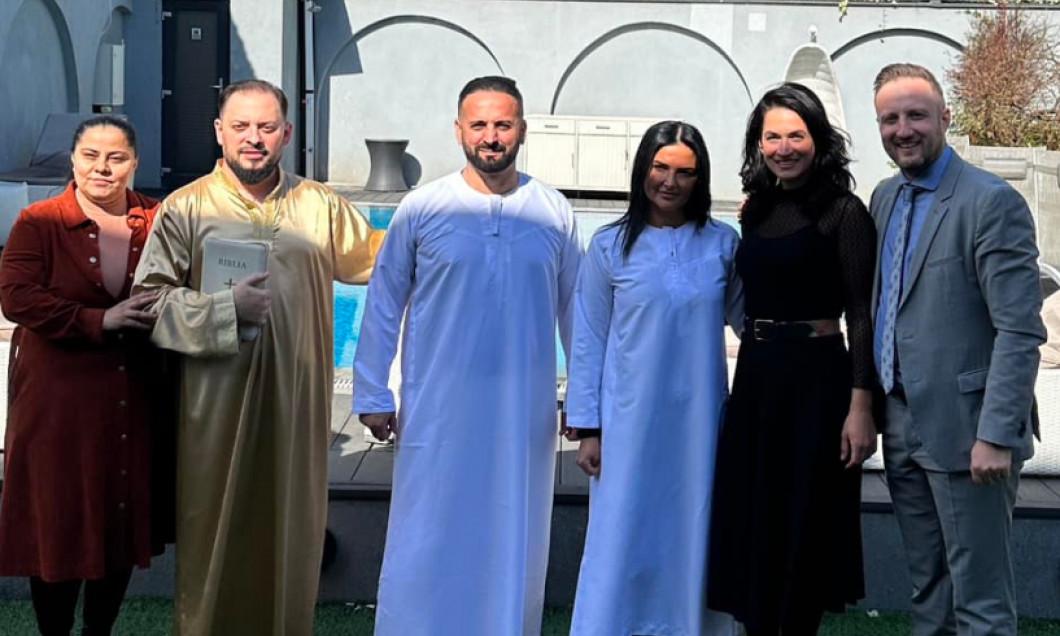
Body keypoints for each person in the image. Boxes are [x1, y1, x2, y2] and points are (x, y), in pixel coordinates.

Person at [132, 79, 380, 635]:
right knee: (212, 533)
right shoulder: (186, 207)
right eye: (241, 126)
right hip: (213, 409)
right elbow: (149, 302)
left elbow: (378, 259)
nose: (254, 138)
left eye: (266, 127)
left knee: (292, 534)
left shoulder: (319, 206)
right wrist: (225, 310)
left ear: (287, 133)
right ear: (219, 132)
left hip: (297, 403)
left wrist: (443, 224)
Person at [353, 75, 582, 635]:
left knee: (514, 533)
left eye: (503, 124)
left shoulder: (552, 211)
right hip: (438, 408)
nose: (491, 136)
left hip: (522, 414)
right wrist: (373, 391)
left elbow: (577, 312)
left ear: (522, 129)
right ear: (458, 130)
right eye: (478, 124)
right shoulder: (423, 208)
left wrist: (585, 399)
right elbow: (383, 302)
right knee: (428, 531)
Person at [869, 63, 1044, 636]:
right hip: (901, 426)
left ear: (945, 117)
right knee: (930, 593)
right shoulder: (885, 198)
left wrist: (996, 435)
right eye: (890, 119)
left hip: (970, 434)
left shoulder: (991, 202)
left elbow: (1019, 330)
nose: (903, 130)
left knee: (980, 602)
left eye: (916, 115)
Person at [707, 83, 878, 635]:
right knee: (755, 519)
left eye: (796, 136)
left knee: (805, 522)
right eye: (773, 137)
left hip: (818, 384)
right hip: (758, 380)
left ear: (818, 139)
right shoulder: (756, 209)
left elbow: (861, 313)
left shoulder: (843, 212)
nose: (784, 148)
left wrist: (861, 407)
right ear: (759, 144)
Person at [564, 121, 742, 635]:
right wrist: (588, 428)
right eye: (660, 167)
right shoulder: (609, 247)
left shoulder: (722, 244)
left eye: (685, 172)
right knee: (621, 532)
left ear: (700, 179)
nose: (670, 181)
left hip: (700, 425)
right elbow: (589, 339)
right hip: (628, 424)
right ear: (642, 168)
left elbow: (752, 322)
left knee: (694, 529)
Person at [0, 116, 173, 635]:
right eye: (91, 156)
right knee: (58, 522)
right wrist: (99, 320)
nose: (102, 168)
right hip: (57, 405)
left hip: (133, 398)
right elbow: (18, 298)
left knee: (117, 519)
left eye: (116, 157)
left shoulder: (158, 218)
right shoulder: (39, 221)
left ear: (134, 162)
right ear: (73, 161)